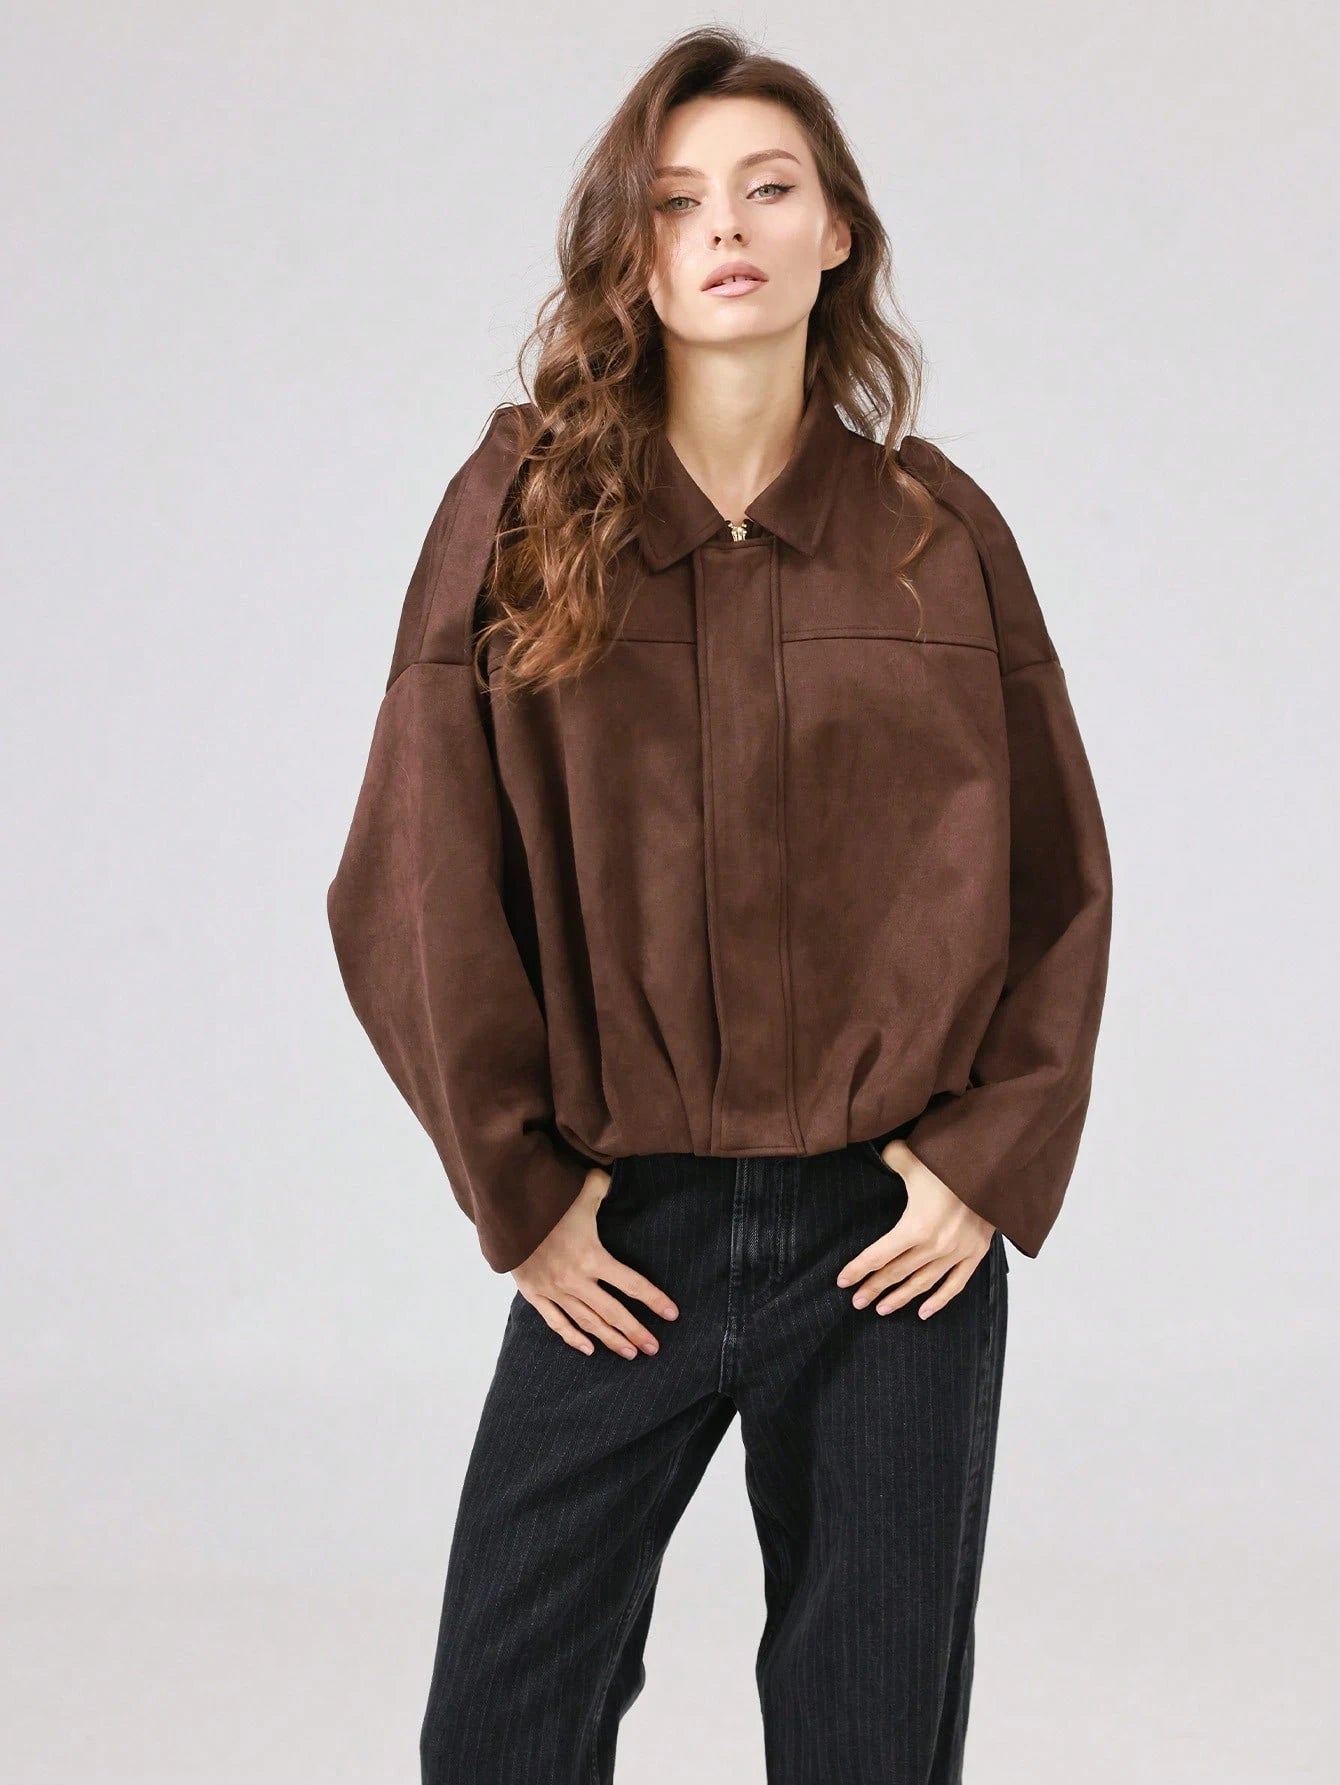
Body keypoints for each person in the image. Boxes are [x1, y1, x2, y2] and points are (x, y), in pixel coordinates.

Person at [326, 25, 1113, 1785]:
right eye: (678, 201)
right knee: (501, 1728)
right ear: (635, 250)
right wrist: (520, 1192)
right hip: (627, 1231)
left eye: (768, 188)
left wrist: (985, 1160)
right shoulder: (524, 516)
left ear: (838, 232)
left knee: (870, 1741)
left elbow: (1060, 870)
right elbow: (411, 868)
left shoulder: (934, 537)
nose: (727, 228)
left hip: (887, 1241)